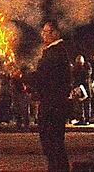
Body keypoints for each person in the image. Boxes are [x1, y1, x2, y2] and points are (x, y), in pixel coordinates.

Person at [22, 20, 71, 172]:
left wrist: (23, 77)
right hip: (55, 103)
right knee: (55, 145)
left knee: (51, 144)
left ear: (55, 33)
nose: (43, 34)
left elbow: (42, 77)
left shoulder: (54, 53)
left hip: (52, 105)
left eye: (46, 31)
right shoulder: (57, 51)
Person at [70, 55, 91, 125]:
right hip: (85, 87)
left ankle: (82, 119)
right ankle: (86, 119)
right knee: (85, 104)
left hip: (80, 88)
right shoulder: (86, 68)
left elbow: (75, 78)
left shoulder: (77, 69)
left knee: (80, 104)